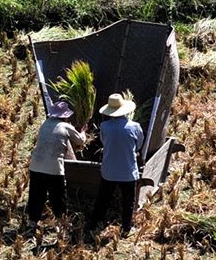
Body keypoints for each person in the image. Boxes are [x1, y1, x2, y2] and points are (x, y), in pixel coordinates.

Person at [26, 100, 87, 231]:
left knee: (36, 195)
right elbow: (80, 141)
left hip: (37, 164)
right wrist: (83, 132)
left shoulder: (44, 123)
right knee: (58, 195)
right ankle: (61, 220)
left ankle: (32, 221)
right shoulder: (65, 126)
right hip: (54, 166)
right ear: (64, 116)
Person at [89, 93, 145, 237]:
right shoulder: (135, 127)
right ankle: (126, 228)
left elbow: (103, 142)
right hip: (128, 171)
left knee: (103, 198)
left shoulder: (104, 126)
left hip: (109, 171)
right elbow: (139, 145)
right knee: (128, 201)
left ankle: (94, 224)